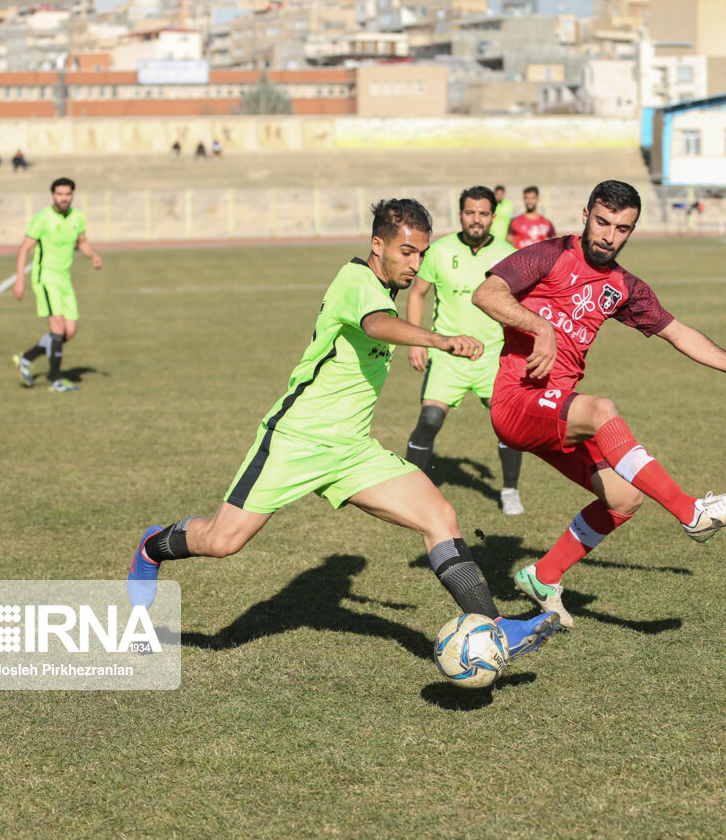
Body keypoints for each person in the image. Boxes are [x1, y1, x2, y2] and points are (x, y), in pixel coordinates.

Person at [125, 198, 560, 663]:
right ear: (378, 245)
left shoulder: (384, 284)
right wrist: (438, 339)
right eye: (406, 252)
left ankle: (495, 628)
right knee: (221, 542)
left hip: (352, 450)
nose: (415, 264)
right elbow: (375, 324)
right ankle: (152, 548)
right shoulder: (356, 280)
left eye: (421, 254)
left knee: (439, 518)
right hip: (295, 441)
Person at [472, 180, 726, 629]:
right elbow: (486, 293)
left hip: (559, 411)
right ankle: (693, 514)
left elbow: (679, 333)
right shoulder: (546, 254)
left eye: (622, 229)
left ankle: (543, 576)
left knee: (624, 499)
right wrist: (541, 328)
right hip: (518, 402)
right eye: (602, 222)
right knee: (602, 408)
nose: (608, 236)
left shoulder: (624, 286)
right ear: (586, 213)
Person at [405, 186, 526, 515]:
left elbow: (520, 304)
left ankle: (510, 490)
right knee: (429, 420)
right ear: (460, 215)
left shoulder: (507, 253)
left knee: (508, 426)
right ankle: (411, 492)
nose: (476, 220)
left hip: (493, 357)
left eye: (483, 213)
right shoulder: (439, 250)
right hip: (448, 356)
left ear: (493, 216)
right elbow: (417, 294)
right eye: (470, 213)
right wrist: (418, 341)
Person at [11, 177, 103, 393]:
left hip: (64, 279)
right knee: (58, 328)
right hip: (45, 278)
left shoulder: (77, 217)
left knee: (69, 332)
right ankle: (55, 380)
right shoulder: (42, 218)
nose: (64, 198)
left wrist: (94, 256)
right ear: (53, 195)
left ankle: (26, 358)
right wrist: (19, 280)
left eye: (68, 194)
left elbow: (82, 243)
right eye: (60, 194)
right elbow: (24, 249)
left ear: (72, 195)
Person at [506, 185, 556, 249]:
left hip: (539, 258)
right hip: (521, 258)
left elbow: (556, 244)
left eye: (533, 198)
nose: (529, 201)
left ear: (537, 199)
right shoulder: (515, 221)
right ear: (524, 199)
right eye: (527, 198)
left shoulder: (546, 223)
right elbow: (507, 245)